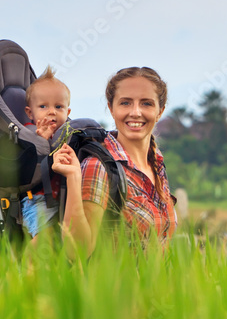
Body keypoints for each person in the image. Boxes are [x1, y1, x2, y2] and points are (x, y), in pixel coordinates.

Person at [54, 66, 177, 257]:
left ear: (160, 111)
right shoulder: (99, 166)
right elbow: (76, 252)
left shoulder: (157, 162)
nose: (135, 112)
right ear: (111, 108)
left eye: (146, 104)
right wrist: (73, 177)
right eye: (125, 103)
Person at [21, 65, 71, 239]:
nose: (52, 112)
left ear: (68, 112)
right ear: (30, 113)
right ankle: (29, 265)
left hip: (65, 196)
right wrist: (42, 142)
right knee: (45, 237)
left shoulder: (68, 134)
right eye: (43, 106)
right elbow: (28, 170)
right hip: (37, 199)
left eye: (59, 107)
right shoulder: (28, 134)